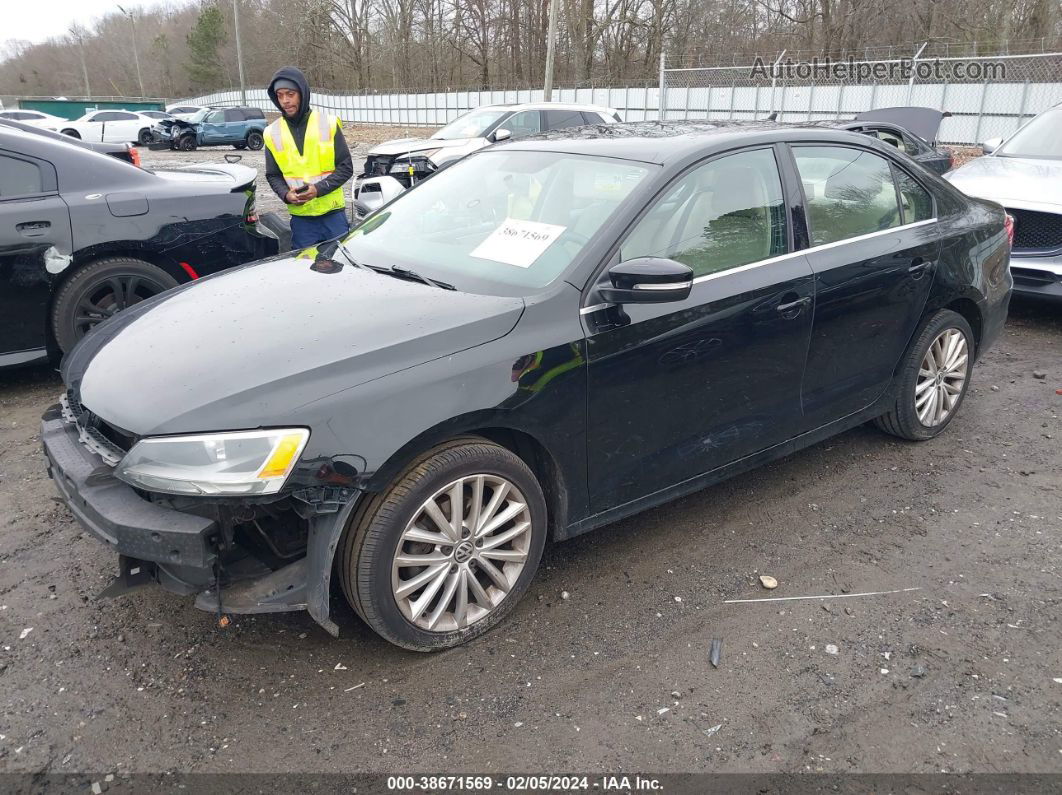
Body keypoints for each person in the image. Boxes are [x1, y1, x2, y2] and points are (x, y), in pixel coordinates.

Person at [264, 66, 354, 249]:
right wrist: (285, 194)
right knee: (305, 272)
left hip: (333, 216)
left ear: (302, 94)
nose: (285, 101)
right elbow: (273, 175)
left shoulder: (327, 123)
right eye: (280, 95)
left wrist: (318, 189)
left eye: (290, 94)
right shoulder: (272, 133)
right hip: (302, 221)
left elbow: (346, 167)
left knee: (342, 270)